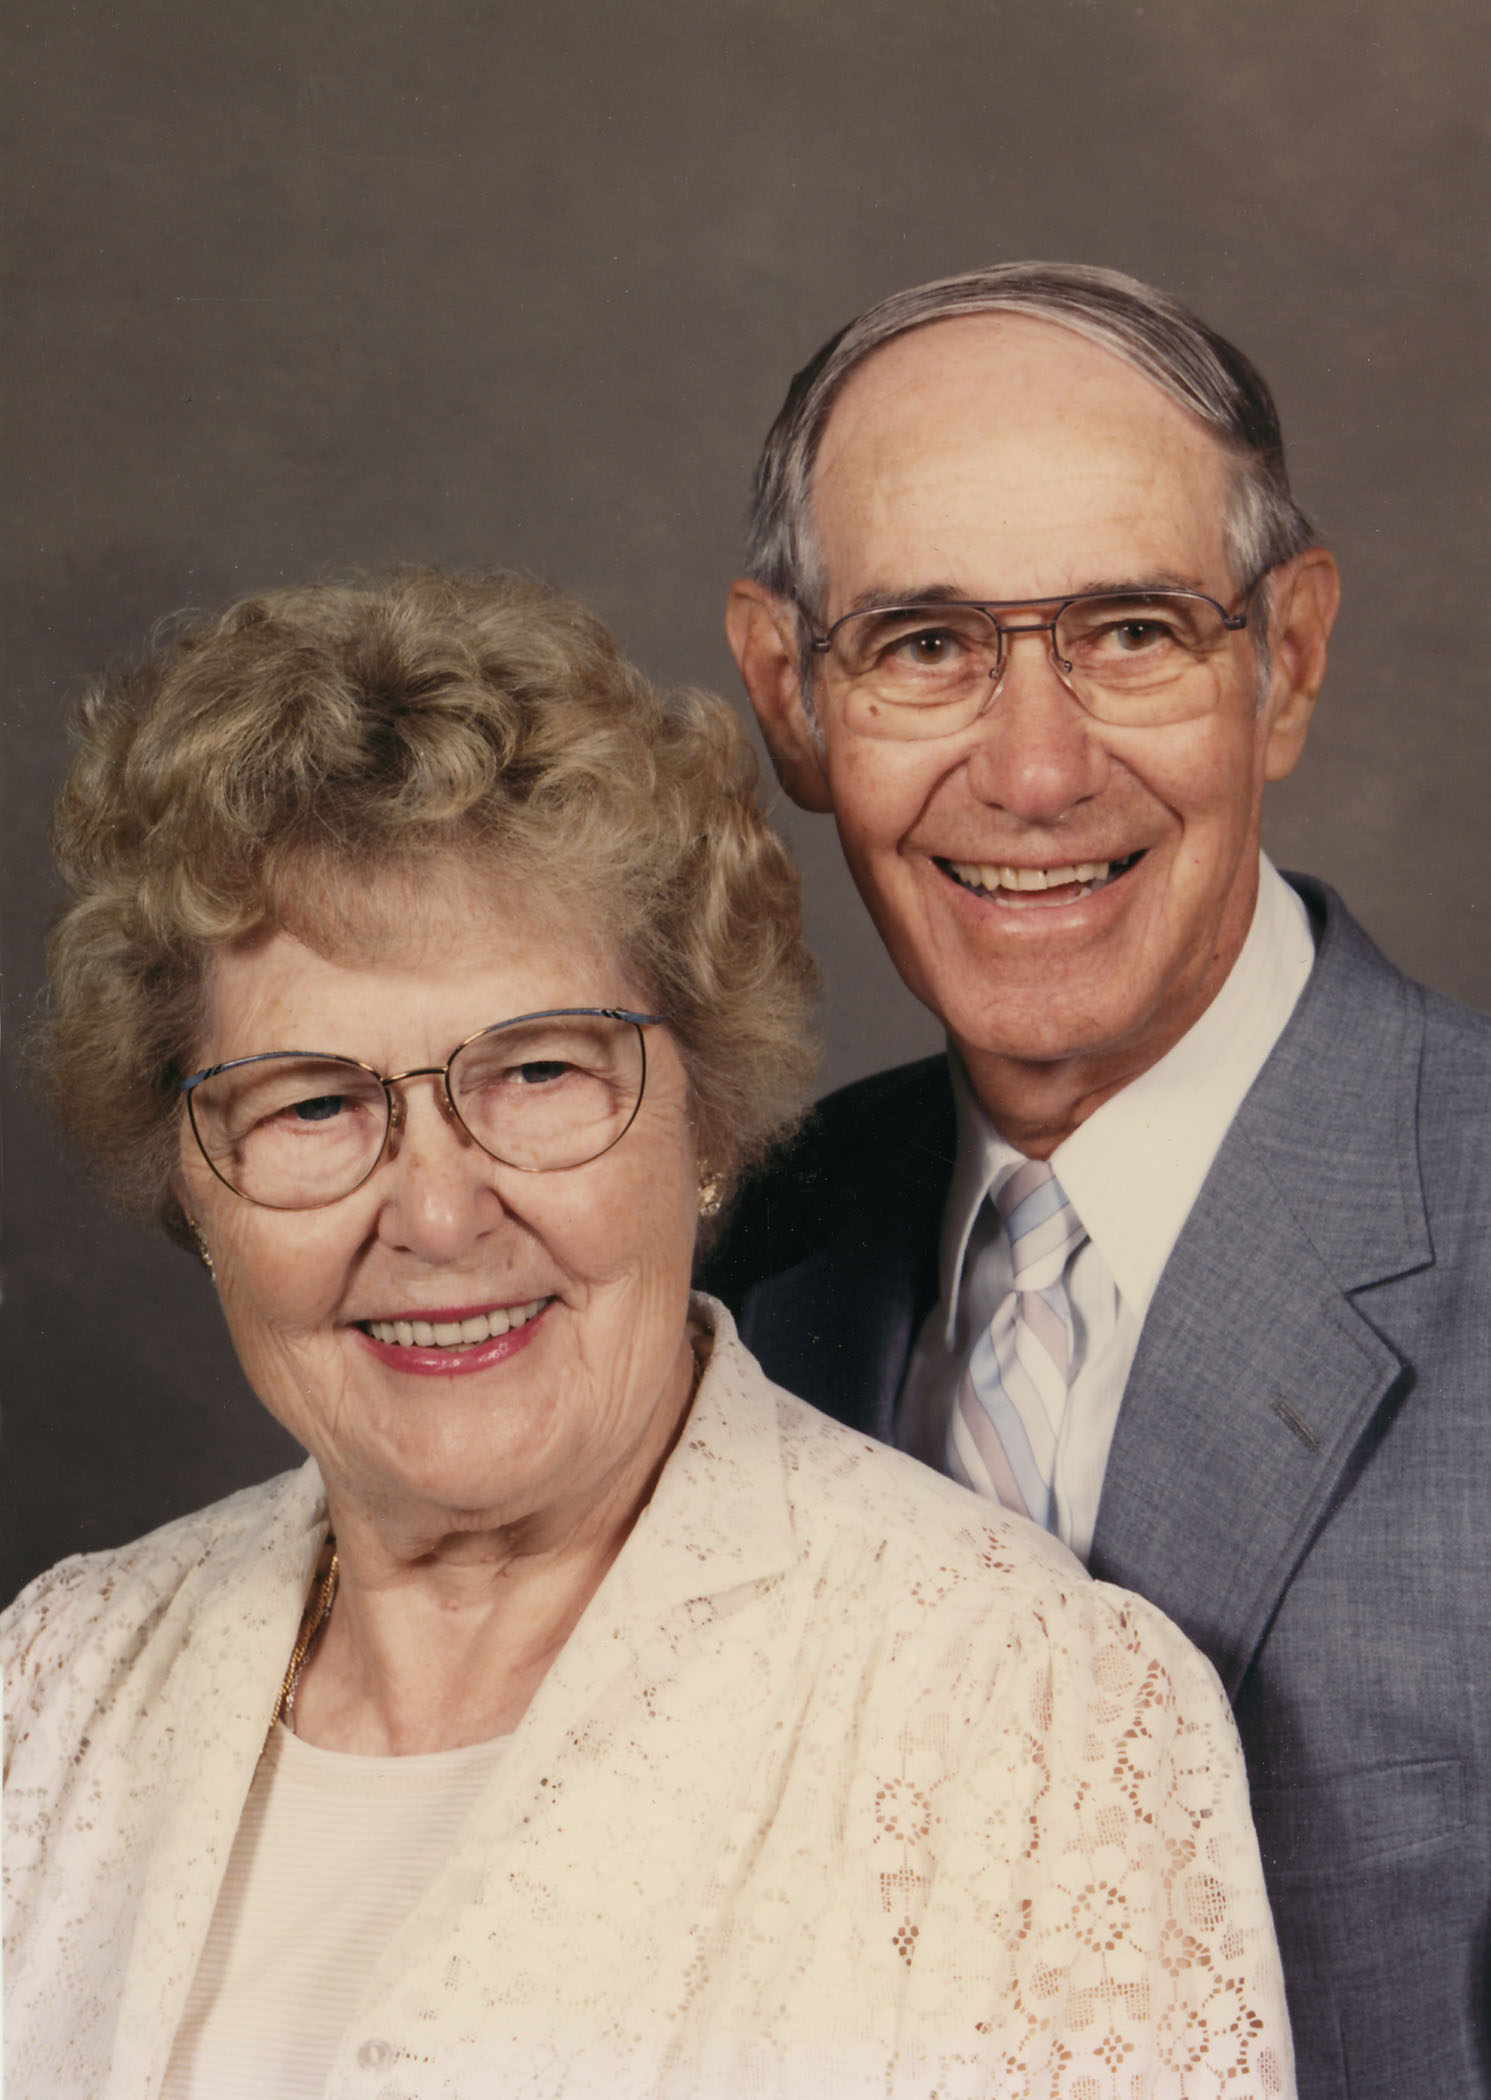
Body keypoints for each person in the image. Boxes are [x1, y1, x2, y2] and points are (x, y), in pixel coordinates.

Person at [3, 569, 1291, 2097]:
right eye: (312, 1103)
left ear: (709, 1124)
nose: (437, 1213)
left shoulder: (1035, 1714)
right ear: (193, 1181)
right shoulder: (52, 1690)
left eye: (540, 1073)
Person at [709, 263, 1491, 2100]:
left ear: (1288, 660)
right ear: (790, 699)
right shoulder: (739, 1260)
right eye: (925, 645)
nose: (1038, 771)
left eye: (1132, 630)